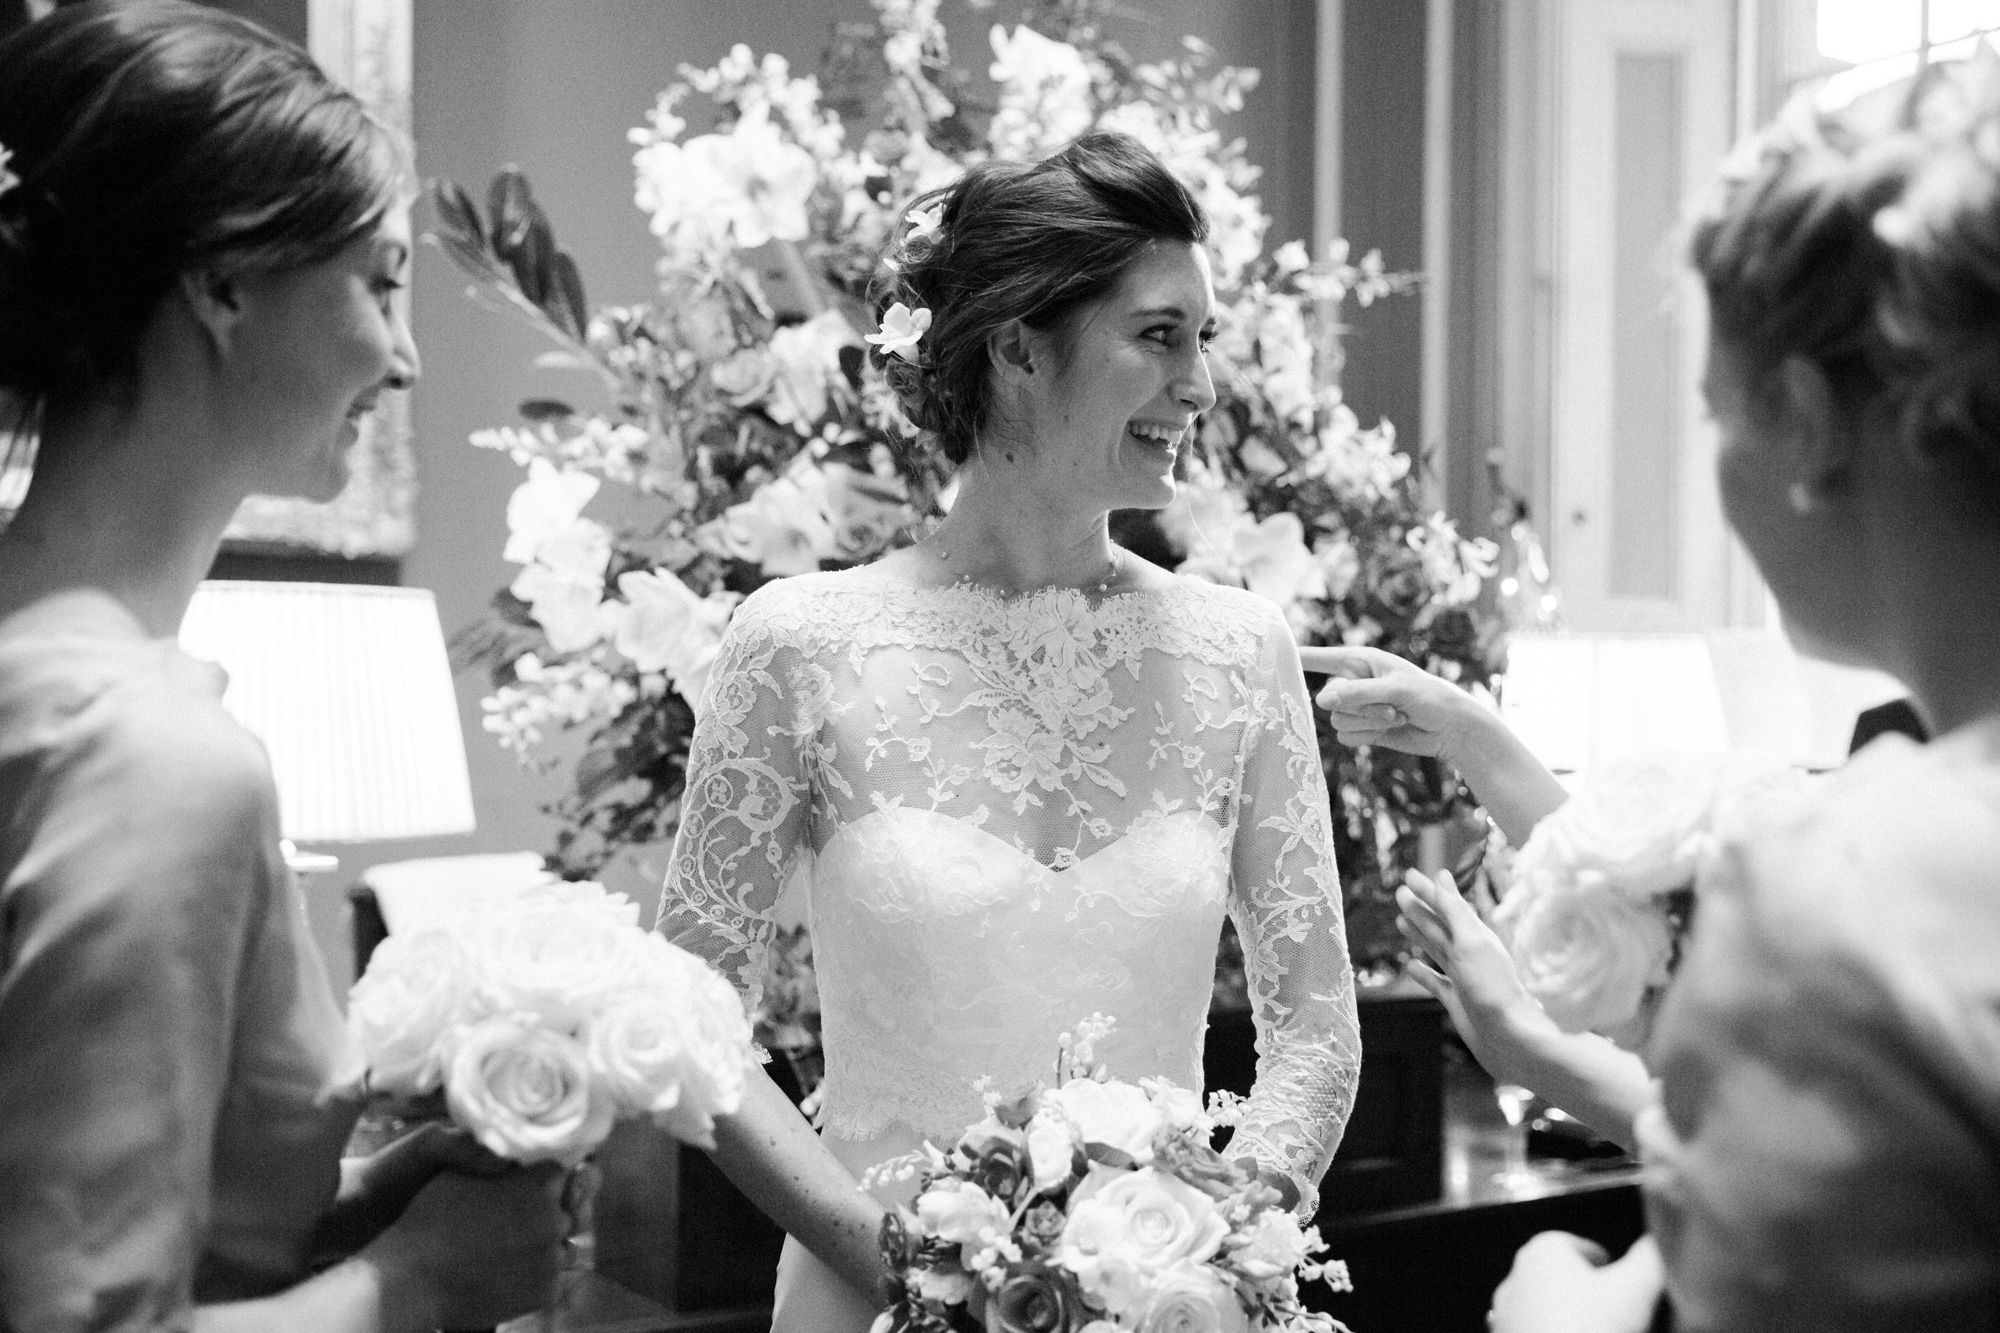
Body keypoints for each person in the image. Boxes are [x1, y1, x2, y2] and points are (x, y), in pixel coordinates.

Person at [1323, 57, 2000, 1330]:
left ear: (1801, 423)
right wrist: (1540, 1049)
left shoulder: (1835, 888)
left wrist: (1551, 1313)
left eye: (1710, 416)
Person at [656, 131, 1362, 1330]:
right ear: (1019, 348)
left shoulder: (1241, 651)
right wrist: (904, 1271)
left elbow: (1313, 1026)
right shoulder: (798, 643)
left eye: (1206, 340)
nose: (1199, 385)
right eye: (1158, 337)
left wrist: (1209, 1251)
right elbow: (686, 1016)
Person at [0, 5, 568, 1330]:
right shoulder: (143, 757)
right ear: (225, 284)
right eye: (378, 282)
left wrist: (361, 1196)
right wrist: (419, 1280)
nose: (409, 355)